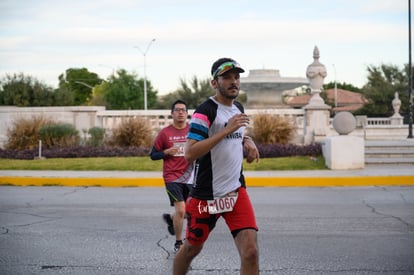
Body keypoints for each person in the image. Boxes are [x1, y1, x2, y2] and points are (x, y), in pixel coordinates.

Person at [173, 58, 260, 275]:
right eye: (227, 77)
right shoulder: (206, 111)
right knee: (192, 248)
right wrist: (226, 130)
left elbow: (237, 134)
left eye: (236, 77)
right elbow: (189, 153)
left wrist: (247, 142)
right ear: (215, 83)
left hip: (235, 192)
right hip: (207, 196)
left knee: (250, 252)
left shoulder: (238, 107)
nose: (233, 82)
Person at [150, 99, 193, 252]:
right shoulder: (165, 133)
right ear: (172, 113)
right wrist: (165, 152)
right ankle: (179, 242)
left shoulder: (193, 131)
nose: (180, 112)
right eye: (177, 110)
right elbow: (153, 155)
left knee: (191, 211)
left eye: (183, 110)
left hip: (191, 176)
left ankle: (171, 219)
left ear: (187, 114)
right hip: (172, 177)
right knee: (181, 210)